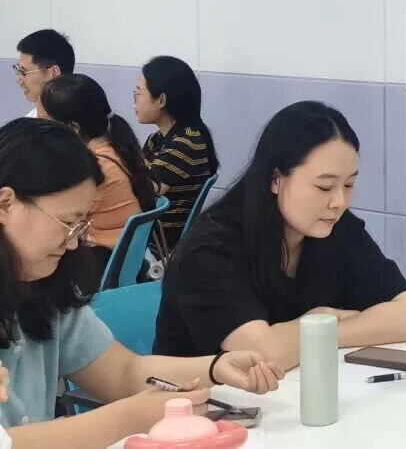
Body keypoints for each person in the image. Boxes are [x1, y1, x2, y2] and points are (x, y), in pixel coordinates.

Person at [0, 118, 282, 448]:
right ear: (6, 204)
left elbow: (122, 371)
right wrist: (129, 417)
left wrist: (215, 368)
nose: (73, 242)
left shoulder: (47, 289)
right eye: (67, 223)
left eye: (80, 227)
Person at [154, 101, 406, 370]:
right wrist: (324, 328)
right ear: (276, 179)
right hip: (201, 395)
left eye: (349, 184)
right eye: (324, 187)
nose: (339, 202)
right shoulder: (210, 248)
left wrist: (322, 330)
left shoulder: (337, 227)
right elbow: (263, 356)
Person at [40, 74, 158, 278]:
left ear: (73, 128)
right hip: (120, 262)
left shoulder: (95, 167)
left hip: (98, 266)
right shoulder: (114, 147)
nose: (37, 129)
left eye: (44, 123)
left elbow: (52, 221)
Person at [134, 56, 218, 250]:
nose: (135, 100)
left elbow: (144, 194)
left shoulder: (186, 143)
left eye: (138, 93)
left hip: (158, 246)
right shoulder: (158, 139)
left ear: (161, 100)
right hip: (151, 237)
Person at [12, 30, 74, 119]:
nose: (18, 80)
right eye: (18, 70)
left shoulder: (80, 121)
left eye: (23, 72)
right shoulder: (30, 119)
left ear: (54, 73)